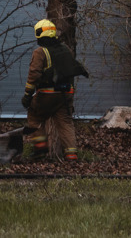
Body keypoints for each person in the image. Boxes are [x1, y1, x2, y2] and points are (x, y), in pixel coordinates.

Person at [21, 18, 89, 162]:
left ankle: (40, 150)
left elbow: (34, 74)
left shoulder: (40, 52)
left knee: (34, 117)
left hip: (47, 94)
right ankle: (71, 156)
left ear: (39, 34)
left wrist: (27, 96)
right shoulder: (65, 49)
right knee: (65, 123)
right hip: (66, 94)